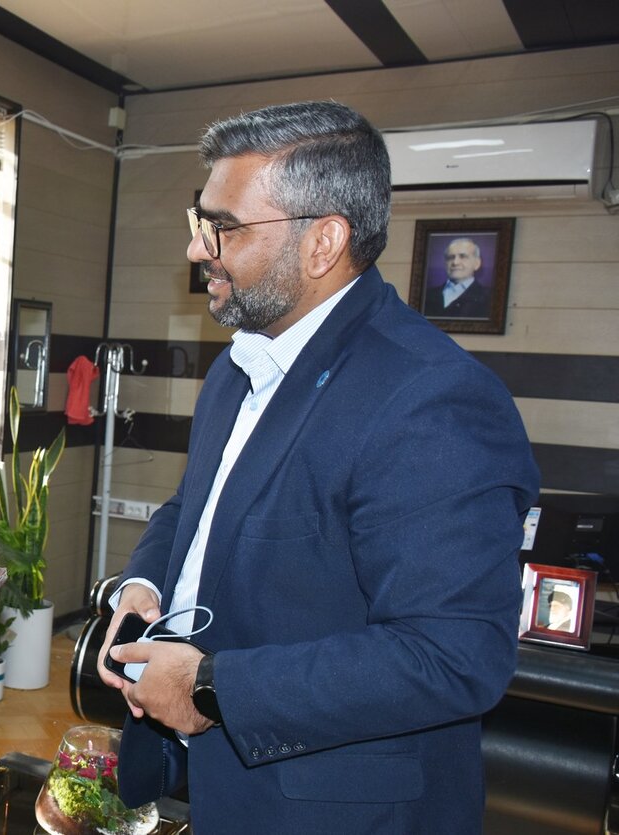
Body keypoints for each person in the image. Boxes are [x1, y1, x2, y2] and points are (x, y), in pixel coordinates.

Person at [98, 101, 538, 834]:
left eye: (224, 227)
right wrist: (145, 583)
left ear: (323, 242)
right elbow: (196, 507)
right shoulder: (238, 368)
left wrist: (210, 686)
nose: (197, 249)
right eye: (199, 221)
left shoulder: (432, 398)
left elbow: (455, 654)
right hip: (214, 784)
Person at [423, 237, 492, 318]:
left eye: (463, 256)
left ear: (477, 263)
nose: (455, 262)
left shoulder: (489, 297)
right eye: (450, 257)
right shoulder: (426, 295)